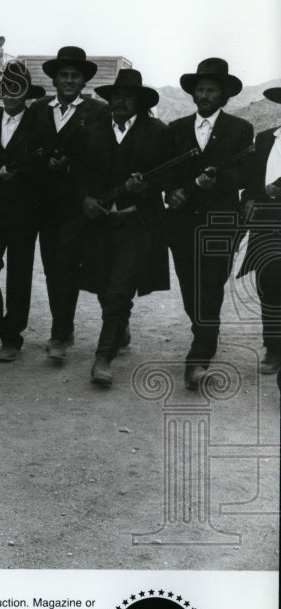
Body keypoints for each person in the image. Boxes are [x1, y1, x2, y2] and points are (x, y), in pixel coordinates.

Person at [72, 69, 170, 386]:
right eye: (115, 96)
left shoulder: (158, 132)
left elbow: (168, 178)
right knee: (102, 284)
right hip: (98, 224)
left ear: (139, 102)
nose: (120, 101)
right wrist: (84, 198)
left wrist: (146, 190)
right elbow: (77, 173)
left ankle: (103, 358)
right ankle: (120, 329)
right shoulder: (91, 130)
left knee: (119, 290)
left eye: (127, 97)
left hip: (135, 224)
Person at [165, 58, 255, 389]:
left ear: (224, 95)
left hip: (220, 221)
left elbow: (243, 173)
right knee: (190, 287)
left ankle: (199, 356)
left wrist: (213, 182)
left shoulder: (241, 129)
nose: (204, 95)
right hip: (181, 223)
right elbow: (167, 173)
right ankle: (203, 333)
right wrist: (172, 192)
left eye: (211, 90)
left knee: (211, 284)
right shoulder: (175, 129)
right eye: (200, 89)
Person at [28, 45, 108, 361]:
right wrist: (44, 165)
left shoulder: (98, 112)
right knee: (53, 269)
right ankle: (62, 332)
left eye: (75, 76)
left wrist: (71, 166)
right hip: (47, 206)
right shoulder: (38, 110)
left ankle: (115, 323)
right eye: (64, 75)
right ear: (54, 79)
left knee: (90, 267)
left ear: (84, 81)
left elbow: (101, 158)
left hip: (82, 204)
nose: (69, 81)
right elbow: (30, 150)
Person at [0, 61, 46, 361]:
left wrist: (23, 177)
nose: (11, 94)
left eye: (18, 88)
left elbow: (46, 169)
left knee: (19, 276)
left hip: (25, 214)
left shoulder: (39, 125)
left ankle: (12, 337)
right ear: (0, 91)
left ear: (27, 92)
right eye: (6, 87)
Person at [237, 84, 281, 377]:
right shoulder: (266, 138)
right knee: (269, 284)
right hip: (267, 223)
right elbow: (252, 178)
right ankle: (274, 349)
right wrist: (248, 199)